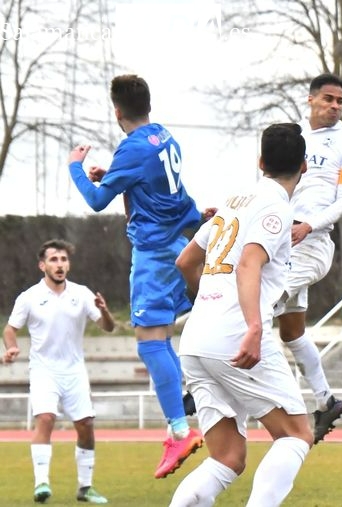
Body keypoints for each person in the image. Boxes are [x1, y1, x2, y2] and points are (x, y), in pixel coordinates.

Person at [66, 74, 204, 479]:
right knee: (161, 337)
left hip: (155, 254)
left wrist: (76, 167)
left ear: (117, 111)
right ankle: (183, 412)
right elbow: (149, 182)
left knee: (149, 342)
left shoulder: (131, 148)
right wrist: (112, 175)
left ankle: (180, 431)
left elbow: (96, 202)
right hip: (177, 243)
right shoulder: (164, 137)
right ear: (148, 105)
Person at [170, 123, 313, 507]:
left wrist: (208, 300)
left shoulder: (234, 202)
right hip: (236, 335)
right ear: (304, 166)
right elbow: (250, 263)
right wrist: (252, 327)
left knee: (227, 457)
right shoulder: (277, 208)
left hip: (196, 339)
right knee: (296, 435)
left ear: (260, 162)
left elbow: (185, 262)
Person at [274, 73, 342, 444]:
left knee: (256, 307)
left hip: (311, 243)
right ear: (310, 99)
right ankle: (326, 401)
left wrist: (308, 225)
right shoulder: (290, 136)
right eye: (328, 99)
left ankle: (217, 394)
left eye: (340, 101)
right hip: (278, 239)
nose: (334, 106)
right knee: (291, 331)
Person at [2, 239, 116, 504]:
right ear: (42, 266)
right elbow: (10, 329)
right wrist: (11, 347)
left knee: (86, 426)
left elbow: (108, 327)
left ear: (68, 265)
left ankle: (85, 488)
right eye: (53, 259)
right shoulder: (29, 297)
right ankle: (41, 482)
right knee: (45, 418)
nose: (60, 264)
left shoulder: (82, 293)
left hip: (75, 371)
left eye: (63, 259)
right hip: (44, 370)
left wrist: (105, 311)